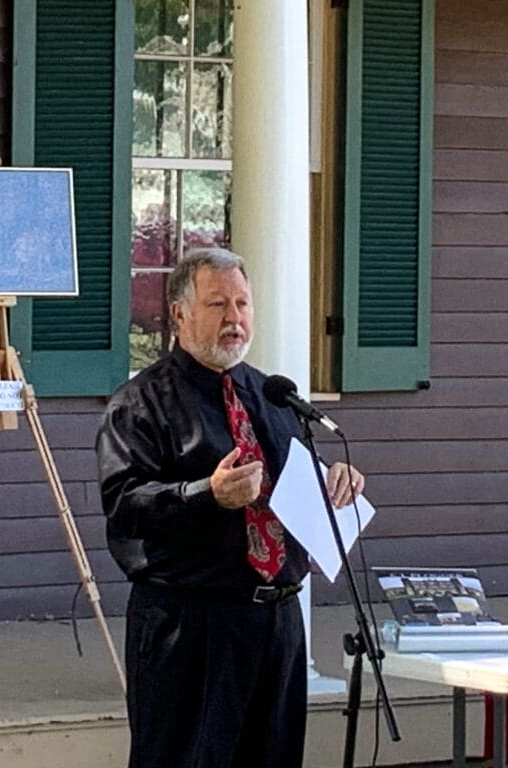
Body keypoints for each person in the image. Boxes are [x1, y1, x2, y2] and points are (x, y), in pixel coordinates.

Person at [95, 247, 364, 768]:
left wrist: (337, 480)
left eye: (243, 304)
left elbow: (293, 487)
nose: (235, 319)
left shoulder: (271, 395)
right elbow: (123, 505)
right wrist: (206, 494)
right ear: (179, 313)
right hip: (192, 624)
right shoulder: (140, 403)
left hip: (277, 620)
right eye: (218, 304)